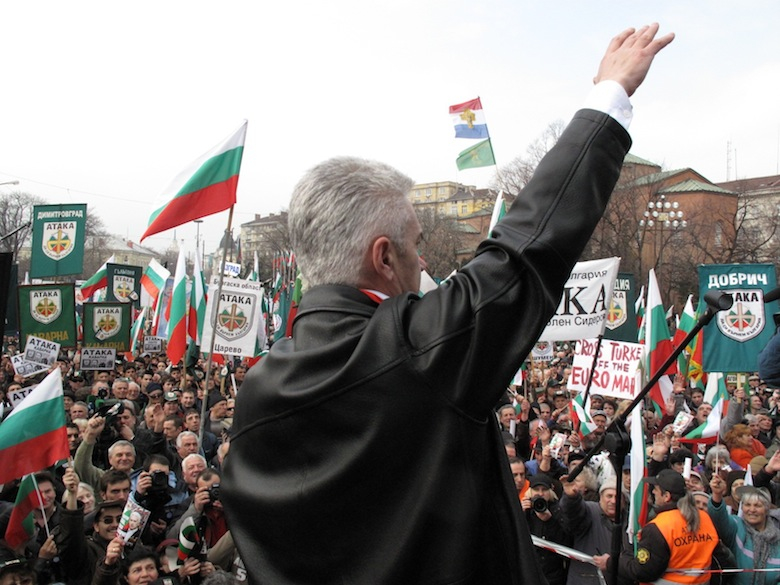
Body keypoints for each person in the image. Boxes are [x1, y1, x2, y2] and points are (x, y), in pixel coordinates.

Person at [223, 24, 674, 585]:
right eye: (414, 244)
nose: (423, 263)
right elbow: (524, 253)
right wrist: (610, 96)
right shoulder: (410, 351)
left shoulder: (257, 394)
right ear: (384, 257)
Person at [616, 469, 717, 585]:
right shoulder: (704, 518)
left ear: (666, 496)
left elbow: (643, 572)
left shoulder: (659, 527)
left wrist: (614, 562)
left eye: (656, 489)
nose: (653, 492)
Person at [709, 474, 780, 585]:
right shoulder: (737, 526)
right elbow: (719, 519)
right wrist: (717, 495)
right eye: (747, 505)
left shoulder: (777, 539)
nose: (751, 510)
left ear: (767, 509)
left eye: (757, 505)